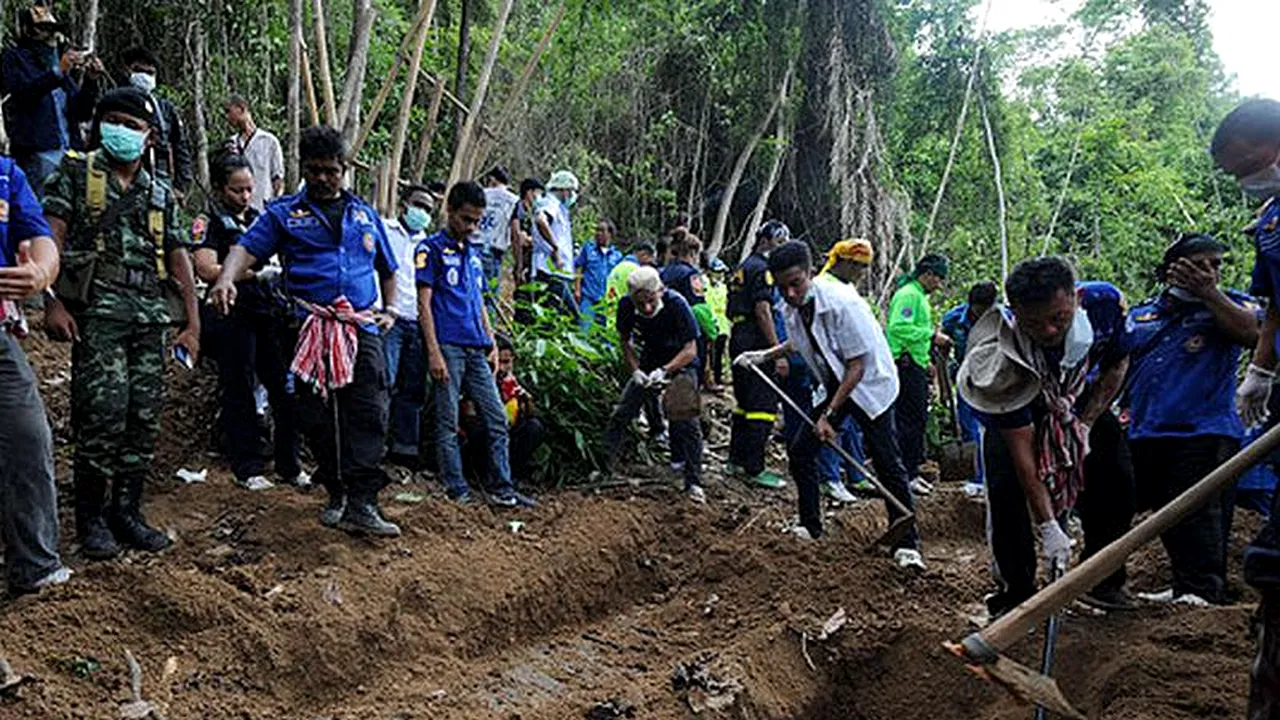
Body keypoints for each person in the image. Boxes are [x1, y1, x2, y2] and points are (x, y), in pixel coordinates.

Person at [211, 125, 400, 537]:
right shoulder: (284, 213)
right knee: (313, 413)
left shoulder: (365, 215)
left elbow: (388, 268)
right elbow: (246, 249)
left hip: (360, 325)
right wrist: (226, 278)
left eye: (331, 170)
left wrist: (392, 309)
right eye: (314, 170)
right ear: (304, 169)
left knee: (367, 408)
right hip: (304, 324)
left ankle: (363, 501)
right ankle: (335, 489)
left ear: (345, 169)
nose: (322, 178)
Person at [43, 87, 202, 559]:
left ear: (150, 135)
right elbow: (49, 238)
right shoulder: (75, 172)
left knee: (142, 418)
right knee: (101, 415)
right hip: (98, 314)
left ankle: (127, 513)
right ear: (98, 126)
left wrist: (194, 324)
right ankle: (91, 520)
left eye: (132, 125)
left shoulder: (159, 192)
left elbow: (179, 258)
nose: (122, 131)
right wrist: (50, 302)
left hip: (149, 316)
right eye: (113, 121)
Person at [958, 256, 1135, 618]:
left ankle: (1102, 578)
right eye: (1034, 323)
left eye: (1058, 319)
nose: (1049, 331)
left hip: (1081, 400)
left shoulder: (1104, 304)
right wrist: (1050, 526)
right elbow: (1024, 455)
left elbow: (1118, 363)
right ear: (1016, 312)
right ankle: (1016, 593)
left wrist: (1085, 423)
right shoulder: (1000, 359)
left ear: (1074, 297)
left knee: (1117, 481)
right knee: (1007, 495)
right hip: (1019, 406)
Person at [735, 242, 923, 570]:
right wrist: (765, 355)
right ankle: (810, 525)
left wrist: (831, 417)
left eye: (796, 283)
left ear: (810, 273)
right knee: (801, 450)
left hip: (870, 384)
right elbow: (802, 341)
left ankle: (908, 543)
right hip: (837, 380)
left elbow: (857, 367)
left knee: (885, 458)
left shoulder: (842, 304)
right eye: (782, 287)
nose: (790, 293)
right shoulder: (790, 307)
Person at [1123, 234, 1259, 607]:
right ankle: (1184, 583)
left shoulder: (1232, 305)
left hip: (1205, 430)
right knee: (1164, 510)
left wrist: (1211, 294)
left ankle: (1203, 589)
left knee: (1199, 512)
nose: (1210, 272)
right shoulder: (1143, 314)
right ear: (1172, 270)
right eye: (1199, 264)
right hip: (1147, 429)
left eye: (1215, 265)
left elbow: (1254, 335)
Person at [1208, 97, 1280, 718]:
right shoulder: (1272, 220)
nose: (1245, 180)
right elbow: (1274, 304)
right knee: (1274, 562)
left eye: (1249, 164)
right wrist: (1261, 367)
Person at [192, 152, 306, 491]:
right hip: (231, 315)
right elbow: (205, 266)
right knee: (239, 389)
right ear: (219, 188)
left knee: (284, 391)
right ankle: (247, 467)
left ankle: (290, 465)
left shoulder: (260, 219)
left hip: (266, 314)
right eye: (236, 190)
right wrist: (251, 272)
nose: (244, 197)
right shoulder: (210, 220)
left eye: (248, 190)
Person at [417, 181, 534, 508]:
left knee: (497, 418)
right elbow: (424, 305)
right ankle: (457, 489)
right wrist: (433, 351)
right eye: (466, 219)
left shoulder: (475, 254)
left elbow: (479, 301)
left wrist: (492, 341)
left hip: (477, 348)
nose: (471, 227)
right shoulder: (430, 250)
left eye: (476, 221)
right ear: (450, 212)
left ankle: (503, 489)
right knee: (448, 419)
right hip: (448, 346)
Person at [0, 149, 73, 594]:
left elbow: (39, 236)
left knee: (27, 437)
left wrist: (42, 272)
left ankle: (35, 567)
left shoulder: (6, 176)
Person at [602, 267, 705, 503]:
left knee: (686, 420)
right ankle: (604, 467)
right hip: (649, 362)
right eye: (641, 304)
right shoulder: (626, 306)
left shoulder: (677, 305)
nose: (646, 309)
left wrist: (665, 371)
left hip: (681, 363)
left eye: (651, 301)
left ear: (660, 290)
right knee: (622, 412)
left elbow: (691, 349)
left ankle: (694, 481)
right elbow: (625, 341)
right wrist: (636, 370)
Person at [1, 5, 104, 195]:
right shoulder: (14, 58)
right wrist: (57, 73)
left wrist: (91, 81)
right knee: (40, 212)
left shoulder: (58, 66)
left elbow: (81, 112)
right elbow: (23, 96)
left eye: (52, 30)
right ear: (28, 30)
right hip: (38, 152)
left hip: (70, 151)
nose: (50, 36)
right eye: (43, 29)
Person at [726, 220, 791, 489]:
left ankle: (736, 460)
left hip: (738, 335)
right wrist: (777, 352)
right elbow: (763, 310)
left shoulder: (742, 266)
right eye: (779, 243)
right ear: (768, 240)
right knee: (762, 405)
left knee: (743, 403)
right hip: (755, 338)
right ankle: (754, 467)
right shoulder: (762, 269)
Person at [886, 253, 950, 496]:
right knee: (909, 421)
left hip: (915, 362)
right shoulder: (909, 295)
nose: (939, 284)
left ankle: (911, 470)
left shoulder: (918, 296)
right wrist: (932, 336)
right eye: (938, 278)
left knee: (917, 419)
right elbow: (899, 328)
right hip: (905, 365)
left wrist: (926, 360)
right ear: (928, 274)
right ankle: (906, 474)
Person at [379, 185, 435, 465]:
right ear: (404, 204)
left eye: (428, 209)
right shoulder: (385, 230)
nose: (422, 213)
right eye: (419, 205)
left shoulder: (429, 244)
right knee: (384, 381)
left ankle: (405, 449)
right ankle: (376, 445)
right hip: (391, 318)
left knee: (412, 387)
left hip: (418, 320)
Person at [462, 334, 545, 486]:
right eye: (497, 362)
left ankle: (513, 474)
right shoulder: (477, 379)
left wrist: (526, 400)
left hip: (509, 436)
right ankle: (483, 476)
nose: (501, 368)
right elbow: (469, 420)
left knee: (534, 427)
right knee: (478, 432)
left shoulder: (515, 380)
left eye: (506, 362)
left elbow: (532, 415)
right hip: (483, 441)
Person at [940, 281, 998, 497]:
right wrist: (943, 384)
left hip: (993, 379)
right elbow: (942, 350)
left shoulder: (1003, 319)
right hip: (966, 378)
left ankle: (991, 477)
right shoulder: (954, 319)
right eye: (978, 309)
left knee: (992, 429)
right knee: (969, 427)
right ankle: (976, 477)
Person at [121, 48, 192, 198]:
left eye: (150, 73)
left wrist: (181, 187)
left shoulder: (165, 109)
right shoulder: (117, 103)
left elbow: (180, 146)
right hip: (123, 174)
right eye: (139, 70)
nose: (145, 76)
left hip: (159, 176)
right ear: (129, 71)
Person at [224, 95, 285, 212]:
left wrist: (276, 205)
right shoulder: (231, 144)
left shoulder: (269, 141)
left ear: (241, 109)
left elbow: (278, 179)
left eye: (229, 112)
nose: (227, 117)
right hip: (238, 211)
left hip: (263, 209)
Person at [532, 170, 580, 316]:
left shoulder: (559, 207)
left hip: (557, 272)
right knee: (572, 317)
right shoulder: (550, 203)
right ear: (564, 190)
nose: (572, 196)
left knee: (558, 317)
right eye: (572, 192)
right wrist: (555, 247)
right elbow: (541, 220)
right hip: (550, 271)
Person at [477, 165, 518, 292]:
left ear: (492, 179)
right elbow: (514, 232)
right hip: (495, 250)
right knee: (490, 293)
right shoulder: (513, 200)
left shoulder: (481, 194)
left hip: (475, 245)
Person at [575, 218, 623, 325]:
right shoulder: (588, 249)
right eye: (597, 230)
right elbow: (579, 268)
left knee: (604, 333)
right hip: (588, 296)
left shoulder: (617, 256)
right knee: (584, 329)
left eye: (602, 231)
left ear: (610, 234)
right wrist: (577, 290)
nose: (598, 234)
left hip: (606, 299)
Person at [512, 177, 544, 288]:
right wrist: (519, 266)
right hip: (523, 258)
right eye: (537, 193)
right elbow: (518, 237)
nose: (539, 196)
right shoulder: (518, 208)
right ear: (529, 192)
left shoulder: (536, 211)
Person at [705, 256, 731, 388]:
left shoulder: (723, 287)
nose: (720, 275)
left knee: (720, 352)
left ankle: (719, 377)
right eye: (717, 272)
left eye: (721, 272)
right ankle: (710, 379)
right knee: (710, 354)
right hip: (709, 323)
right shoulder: (705, 286)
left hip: (722, 324)